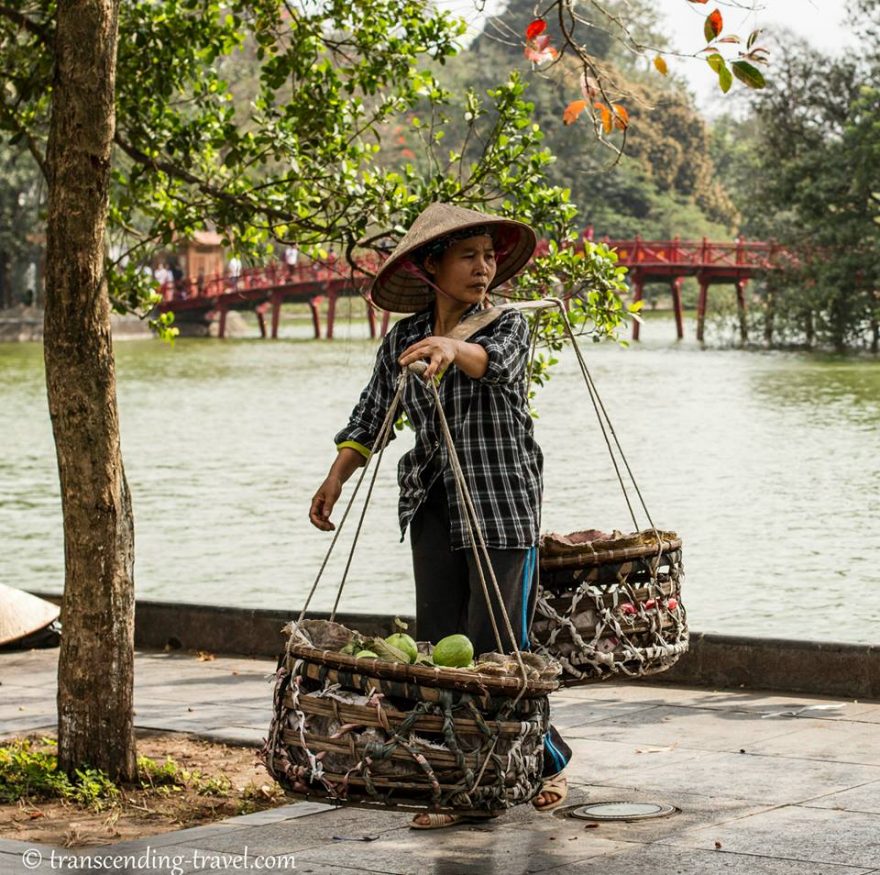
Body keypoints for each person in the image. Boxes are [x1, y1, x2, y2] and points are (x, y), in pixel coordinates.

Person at [308, 202, 570, 828]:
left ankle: (542, 762)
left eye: (489, 256)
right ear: (432, 267)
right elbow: (373, 412)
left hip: (502, 501)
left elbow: (496, 367)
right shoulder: (402, 338)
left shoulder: (505, 324)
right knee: (440, 651)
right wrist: (335, 477)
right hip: (433, 503)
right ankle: (459, 780)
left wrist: (455, 346)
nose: (484, 268)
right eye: (468, 256)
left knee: (499, 647)